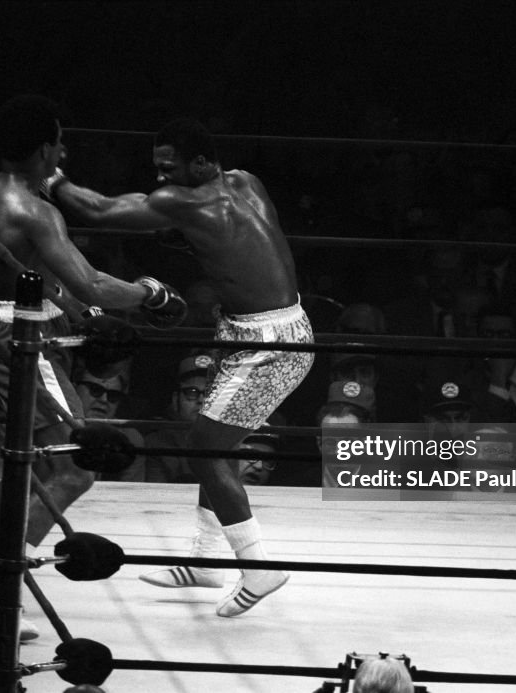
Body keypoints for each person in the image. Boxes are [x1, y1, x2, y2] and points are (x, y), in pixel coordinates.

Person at [0, 95, 184, 637]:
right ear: (45, 147)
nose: (64, 151)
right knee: (76, 466)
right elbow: (89, 281)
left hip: (13, 330)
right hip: (24, 340)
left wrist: (83, 310)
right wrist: (151, 293)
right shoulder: (34, 209)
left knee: (32, 465)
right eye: (59, 142)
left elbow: (44, 279)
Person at [52, 117, 314, 616]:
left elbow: (100, 210)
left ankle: (259, 567)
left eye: (169, 168)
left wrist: (47, 177)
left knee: (203, 448)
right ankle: (205, 561)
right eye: (157, 169)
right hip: (262, 327)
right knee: (213, 441)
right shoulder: (247, 181)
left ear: (201, 162)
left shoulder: (184, 201)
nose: (161, 179)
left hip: (267, 343)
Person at [144, 351, 213, 484]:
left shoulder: (232, 442)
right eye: (192, 392)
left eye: (210, 393)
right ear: (176, 399)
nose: (201, 399)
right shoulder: (157, 444)